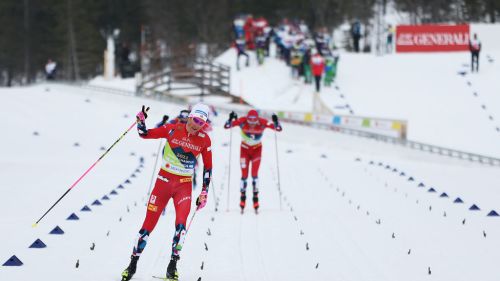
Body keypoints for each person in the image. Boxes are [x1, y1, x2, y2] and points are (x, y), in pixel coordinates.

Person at [121, 103, 213, 281]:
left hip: (184, 185)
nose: (196, 125)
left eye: (201, 123)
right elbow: (144, 134)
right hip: (163, 183)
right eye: (194, 120)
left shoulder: (204, 139)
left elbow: (208, 168)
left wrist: (204, 192)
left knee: (181, 226)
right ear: (189, 117)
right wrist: (140, 121)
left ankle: (172, 267)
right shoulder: (172, 129)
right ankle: (132, 265)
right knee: (147, 226)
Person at [224, 110, 282, 213]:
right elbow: (227, 126)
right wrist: (230, 119)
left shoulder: (262, 122)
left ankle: (255, 199)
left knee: (254, 174)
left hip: (257, 150)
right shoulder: (242, 121)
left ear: (257, 119)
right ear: (247, 118)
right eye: (249, 121)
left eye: (254, 121)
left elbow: (278, 129)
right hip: (244, 150)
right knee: (244, 175)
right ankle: (242, 199)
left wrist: (276, 122)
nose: (251, 123)